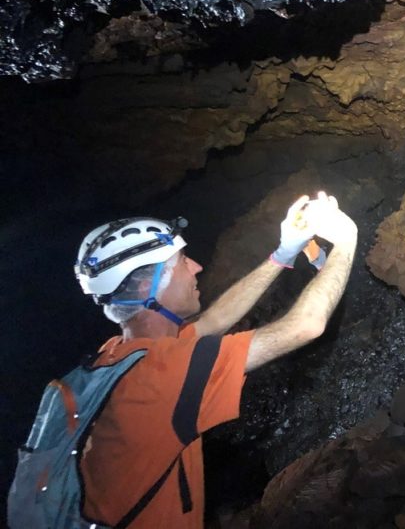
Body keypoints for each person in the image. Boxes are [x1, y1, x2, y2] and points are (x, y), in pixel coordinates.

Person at [69, 190, 357, 528]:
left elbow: (213, 322)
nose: (196, 267)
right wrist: (346, 243)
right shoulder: (162, 378)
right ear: (151, 285)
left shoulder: (120, 357)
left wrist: (283, 254)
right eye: (181, 262)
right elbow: (305, 326)